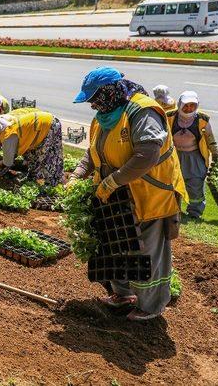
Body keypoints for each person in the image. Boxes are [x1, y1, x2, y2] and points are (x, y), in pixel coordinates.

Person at [70, 66, 188, 321]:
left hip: (149, 195)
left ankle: (150, 306)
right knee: (115, 244)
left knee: (146, 251)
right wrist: (76, 175)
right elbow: (93, 152)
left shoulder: (142, 112)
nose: (92, 105)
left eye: (94, 99)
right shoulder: (104, 115)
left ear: (109, 92)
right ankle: (121, 294)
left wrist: (111, 182)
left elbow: (147, 155)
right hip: (116, 199)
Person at [168, 91, 218, 219]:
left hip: (195, 158)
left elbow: (210, 138)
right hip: (175, 156)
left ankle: (194, 213)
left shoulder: (202, 119)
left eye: (192, 105)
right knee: (173, 183)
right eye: (186, 105)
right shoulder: (169, 116)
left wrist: (215, 154)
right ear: (180, 104)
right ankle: (174, 210)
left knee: (195, 183)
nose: (189, 108)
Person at [0, 108, 63, 187]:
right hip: (43, 120)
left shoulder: (8, 136)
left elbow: (8, 163)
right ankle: (32, 178)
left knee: (48, 155)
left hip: (48, 125)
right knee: (31, 155)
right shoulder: (5, 121)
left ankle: (51, 184)